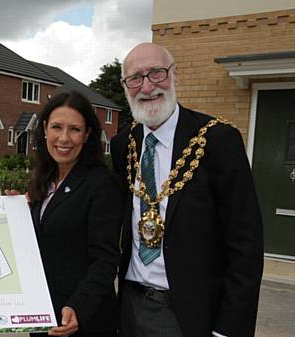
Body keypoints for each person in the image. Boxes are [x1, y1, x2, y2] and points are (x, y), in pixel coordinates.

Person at [111, 42, 263, 337]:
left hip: (190, 314)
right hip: (130, 306)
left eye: (156, 73)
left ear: (174, 74)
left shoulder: (217, 140)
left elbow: (246, 243)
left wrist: (228, 329)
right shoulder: (123, 145)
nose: (147, 86)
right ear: (125, 85)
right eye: (135, 78)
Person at [27, 91, 122, 337]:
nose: (64, 138)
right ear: (45, 129)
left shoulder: (102, 184)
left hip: (84, 321)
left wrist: (78, 306)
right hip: (44, 315)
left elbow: (105, 260)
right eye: (57, 127)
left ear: (88, 134)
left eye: (75, 129)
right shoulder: (43, 180)